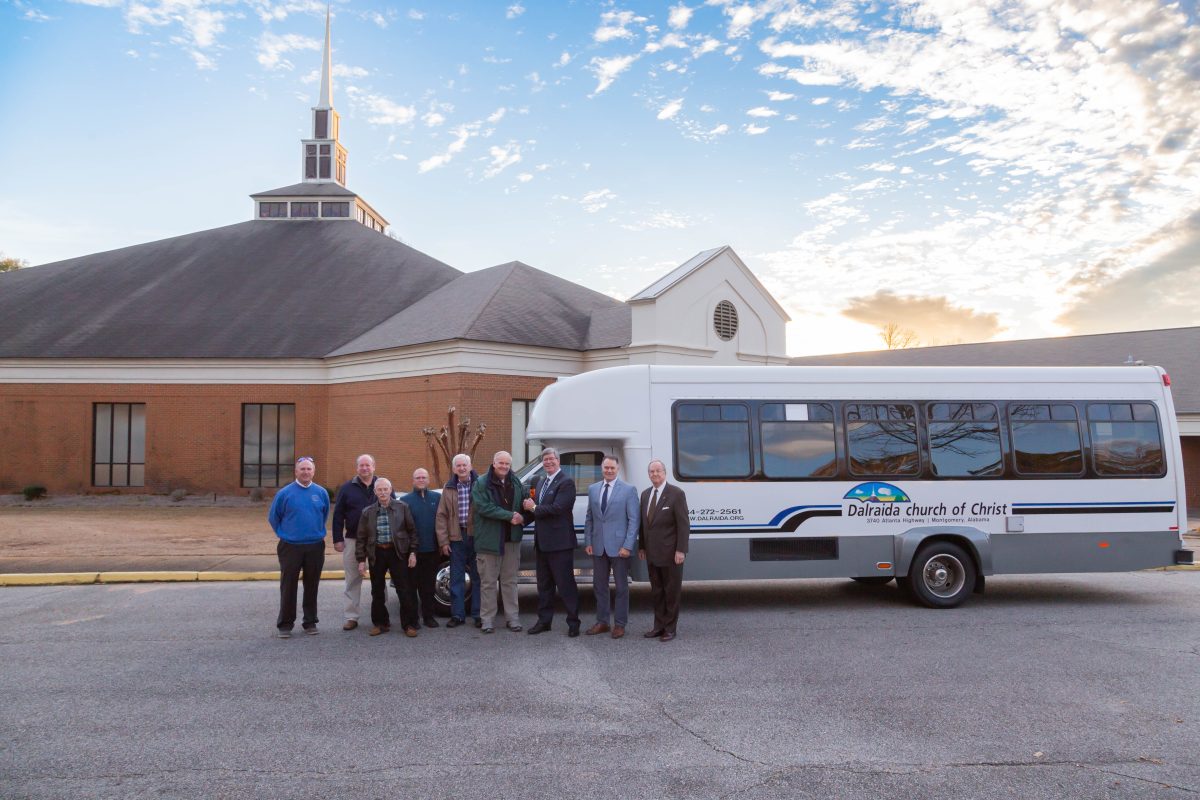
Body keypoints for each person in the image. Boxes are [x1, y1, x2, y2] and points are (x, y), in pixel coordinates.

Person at [268, 456, 329, 638]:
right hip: (290, 547)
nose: (306, 472)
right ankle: (285, 624)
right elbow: (274, 517)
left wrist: (314, 532)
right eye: (302, 469)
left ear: (313, 471)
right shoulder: (285, 493)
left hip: (315, 546)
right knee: (288, 586)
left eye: (309, 469)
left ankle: (310, 622)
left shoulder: (321, 492)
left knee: (312, 585)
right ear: (296, 472)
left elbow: (323, 515)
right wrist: (285, 534)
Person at [522, 447, 580, 637]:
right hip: (542, 543)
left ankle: (573, 622)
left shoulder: (566, 482)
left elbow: (558, 508)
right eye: (545, 460)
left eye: (551, 459)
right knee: (544, 586)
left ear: (558, 461)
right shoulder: (541, 482)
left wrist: (534, 507)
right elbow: (535, 512)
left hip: (560, 544)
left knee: (565, 585)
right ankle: (544, 621)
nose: (548, 462)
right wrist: (520, 519)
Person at [582, 455, 639, 639]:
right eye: (606, 468)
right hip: (598, 546)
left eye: (612, 468)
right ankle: (603, 622)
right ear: (602, 468)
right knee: (599, 586)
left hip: (620, 547)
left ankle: (620, 625)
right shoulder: (593, 489)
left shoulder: (629, 490)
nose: (608, 471)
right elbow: (589, 518)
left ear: (618, 469)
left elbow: (633, 520)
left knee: (622, 587)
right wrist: (588, 542)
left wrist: (628, 546)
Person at [356, 478, 420, 637]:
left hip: (397, 552)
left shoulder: (402, 507)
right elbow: (361, 538)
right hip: (376, 553)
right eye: (380, 489)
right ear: (375, 492)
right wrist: (361, 561)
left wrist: (412, 552)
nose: (383, 492)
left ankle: (409, 624)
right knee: (376, 590)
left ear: (391, 490)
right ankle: (380, 623)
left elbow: (412, 532)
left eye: (386, 489)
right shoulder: (367, 512)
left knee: (403, 589)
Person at [471, 450, 526, 634]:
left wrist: (524, 515)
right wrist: (510, 516)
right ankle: (487, 620)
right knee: (488, 583)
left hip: (511, 540)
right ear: (494, 463)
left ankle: (513, 619)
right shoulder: (481, 483)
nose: (504, 467)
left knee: (510, 582)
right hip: (489, 541)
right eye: (501, 463)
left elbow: (524, 503)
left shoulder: (516, 481)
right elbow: (484, 507)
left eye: (507, 464)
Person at [639, 459, 690, 642]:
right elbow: (644, 525)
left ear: (665, 472)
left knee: (671, 592)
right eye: (651, 471)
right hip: (652, 554)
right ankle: (658, 626)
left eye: (658, 471)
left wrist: (681, 550)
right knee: (657, 592)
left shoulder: (676, 494)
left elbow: (683, 525)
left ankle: (670, 628)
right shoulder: (645, 495)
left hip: (671, 554)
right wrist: (642, 546)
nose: (655, 474)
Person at [330, 454, 377, 631]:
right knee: (352, 579)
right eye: (361, 465)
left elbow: (393, 510)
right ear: (357, 468)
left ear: (374, 467)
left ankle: (381, 615)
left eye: (368, 465)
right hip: (352, 540)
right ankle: (351, 617)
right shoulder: (347, 488)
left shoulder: (382, 485)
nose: (365, 468)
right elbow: (338, 515)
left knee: (379, 579)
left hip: (377, 542)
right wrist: (337, 539)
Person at [435, 454, 481, 628]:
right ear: (454, 469)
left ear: (470, 466)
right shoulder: (449, 488)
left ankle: (478, 614)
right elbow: (441, 516)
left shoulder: (481, 484)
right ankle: (457, 614)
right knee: (456, 578)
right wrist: (443, 541)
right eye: (458, 466)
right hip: (456, 539)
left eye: (464, 465)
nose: (462, 468)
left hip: (477, 537)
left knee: (478, 578)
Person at [400, 468, 442, 628]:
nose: (421, 480)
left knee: (429, 587)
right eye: (418, 477)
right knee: (411, 587)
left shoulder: (437, 498)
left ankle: (428, 617)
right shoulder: (405, 501)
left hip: (432, 550)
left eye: (424, 477)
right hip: (413, 552)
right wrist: (410, 551)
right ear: (413, 480)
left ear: (428, 480)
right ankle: (413, 619)